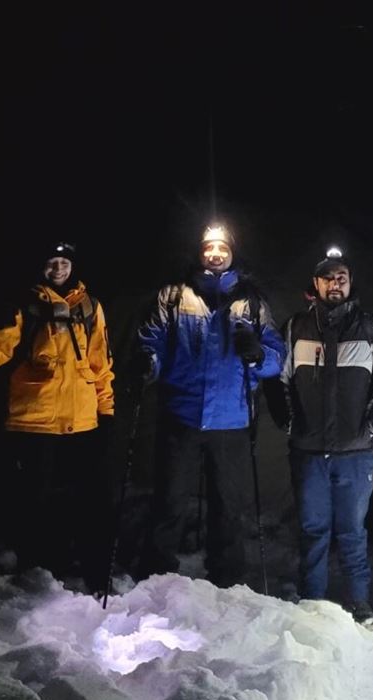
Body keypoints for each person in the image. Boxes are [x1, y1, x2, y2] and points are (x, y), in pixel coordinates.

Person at [0, 241, 115, 589]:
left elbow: (100, 365)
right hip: (34, 421)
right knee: (34, 503)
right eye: (51, 262)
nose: (58, 269)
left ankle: (84, 569)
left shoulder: (90, 307)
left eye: (64, 262)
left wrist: (106, 410)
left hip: (82, 422)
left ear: (74, 266)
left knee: (85, 501)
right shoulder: (23, 305)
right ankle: (38, 575)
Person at [135, 224, 285, 587]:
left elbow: (276, 359)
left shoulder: (251, 303)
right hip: (182, 415)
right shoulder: (173, 296)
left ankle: (228, 581)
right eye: (209, 248)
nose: (215, 254)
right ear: (199, 253)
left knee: (230, 508)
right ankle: (157, 579)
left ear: (232, 253)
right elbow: (151, 340)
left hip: (231, 421)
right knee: (170, 503)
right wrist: (147, 362)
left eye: (222, 248)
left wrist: (257, 353)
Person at [278, 248, 373, 624]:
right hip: (309, 451)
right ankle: (313, 602)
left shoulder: (372, 327)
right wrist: (289, 423)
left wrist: (372, 426)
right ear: (316, 284)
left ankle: (359, 602)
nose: (336, 283)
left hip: (356, 451)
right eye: (329, 277)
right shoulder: (296, 327)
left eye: (342, 277)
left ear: (350, 283)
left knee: (352, 531)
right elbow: (279, 382)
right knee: (313, 530)